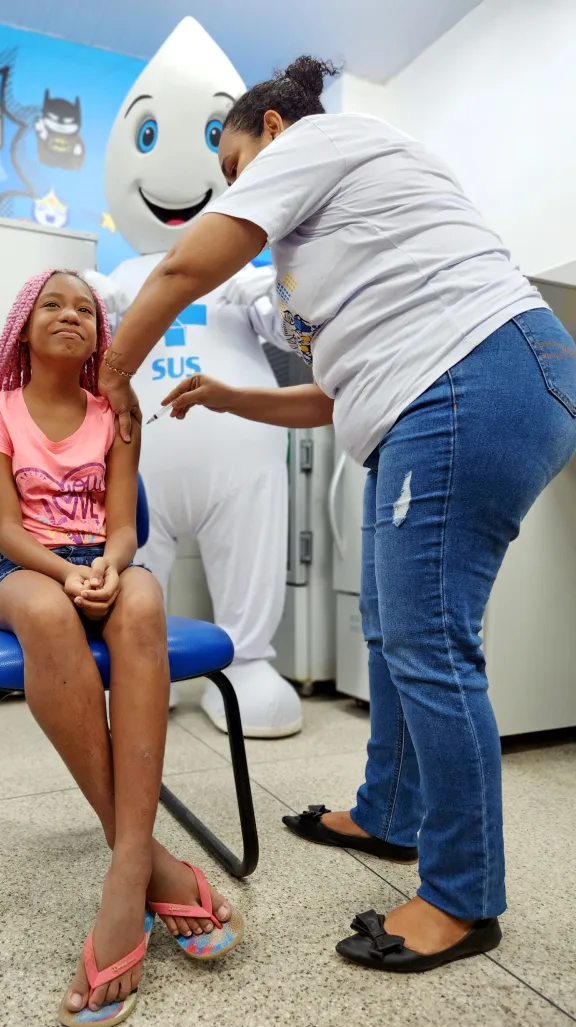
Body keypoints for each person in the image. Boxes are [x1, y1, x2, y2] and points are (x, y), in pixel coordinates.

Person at [96, 57, 576, 973]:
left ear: (272, 130)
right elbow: (332, 389)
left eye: (235, 166)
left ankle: (462, 897)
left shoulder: (323, 137)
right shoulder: (330, 246)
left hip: (478, 378)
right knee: (392, 626)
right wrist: (233, 398)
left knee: (429, 640)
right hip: (447, 392)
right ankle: (388, 811)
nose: (239, 187)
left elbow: (194, 261)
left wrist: (114, 374)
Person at [0, 270, 242, 1027]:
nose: (71, 315)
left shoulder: (115, 411)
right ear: (23, 326)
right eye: (53, 303)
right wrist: (65, 572)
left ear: (99, 334)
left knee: (145, 594)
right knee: (49, 613)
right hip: (27, 572)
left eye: (85, 308)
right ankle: (154, 868)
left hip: (102, 562)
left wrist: (112, 567)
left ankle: (124, 878)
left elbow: (123, 523)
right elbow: (7, 529)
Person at [87, 15, 301, 737]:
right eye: (146, 139)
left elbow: (289, 333)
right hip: (138, 455)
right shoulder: (121, 274)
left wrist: (265, 295)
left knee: (251, 544)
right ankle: (133, 662)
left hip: (241, 448)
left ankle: (245, 662)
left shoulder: (245, 266)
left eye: (220, 145)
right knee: (134, 558)